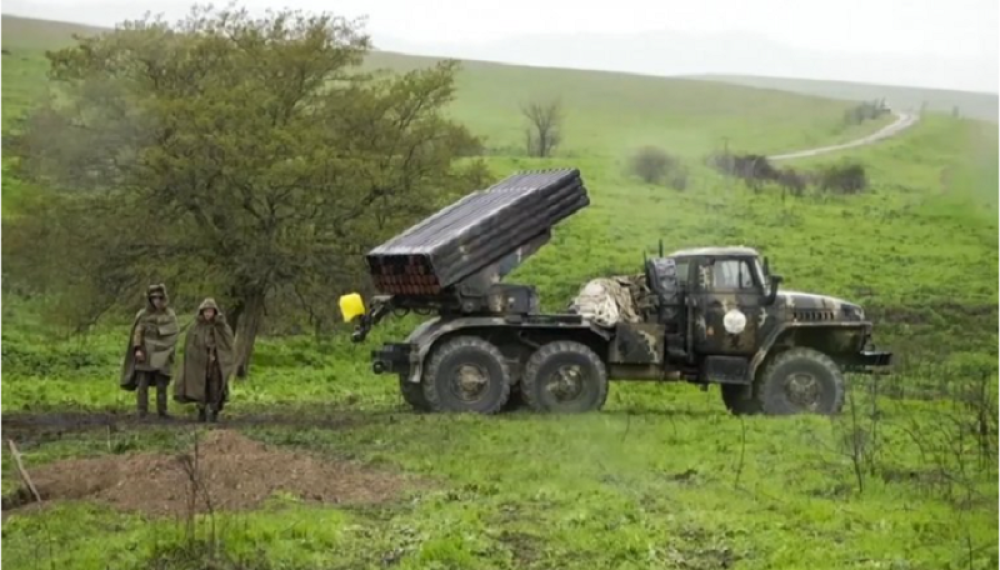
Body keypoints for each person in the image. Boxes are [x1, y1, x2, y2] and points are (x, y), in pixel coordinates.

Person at [120, 284, 180, 419]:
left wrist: (168, 352)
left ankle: (162, 411)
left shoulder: (169, 315)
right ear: (149, 299)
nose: (157, 301)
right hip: (145, 354)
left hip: (162, 355)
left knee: (161, 385)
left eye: (159, 298)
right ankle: (142, 411)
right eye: (153, 298)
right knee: (142, 384)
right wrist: (137, 349)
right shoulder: (143, 315)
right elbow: (137, 333)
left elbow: (173, 334)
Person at [174, 298, 236, 422]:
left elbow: (228, 344)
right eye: (206, 311)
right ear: (202, 312)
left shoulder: (221, 327)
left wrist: (219, 357)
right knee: (200, 388)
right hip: (199, 364)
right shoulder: (195, 327)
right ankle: (201, 411)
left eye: (210, 311)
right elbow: (190, 347)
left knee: (215, 388)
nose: (208, 314)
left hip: (215, 364)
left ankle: (214, 412)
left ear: (215, 312)